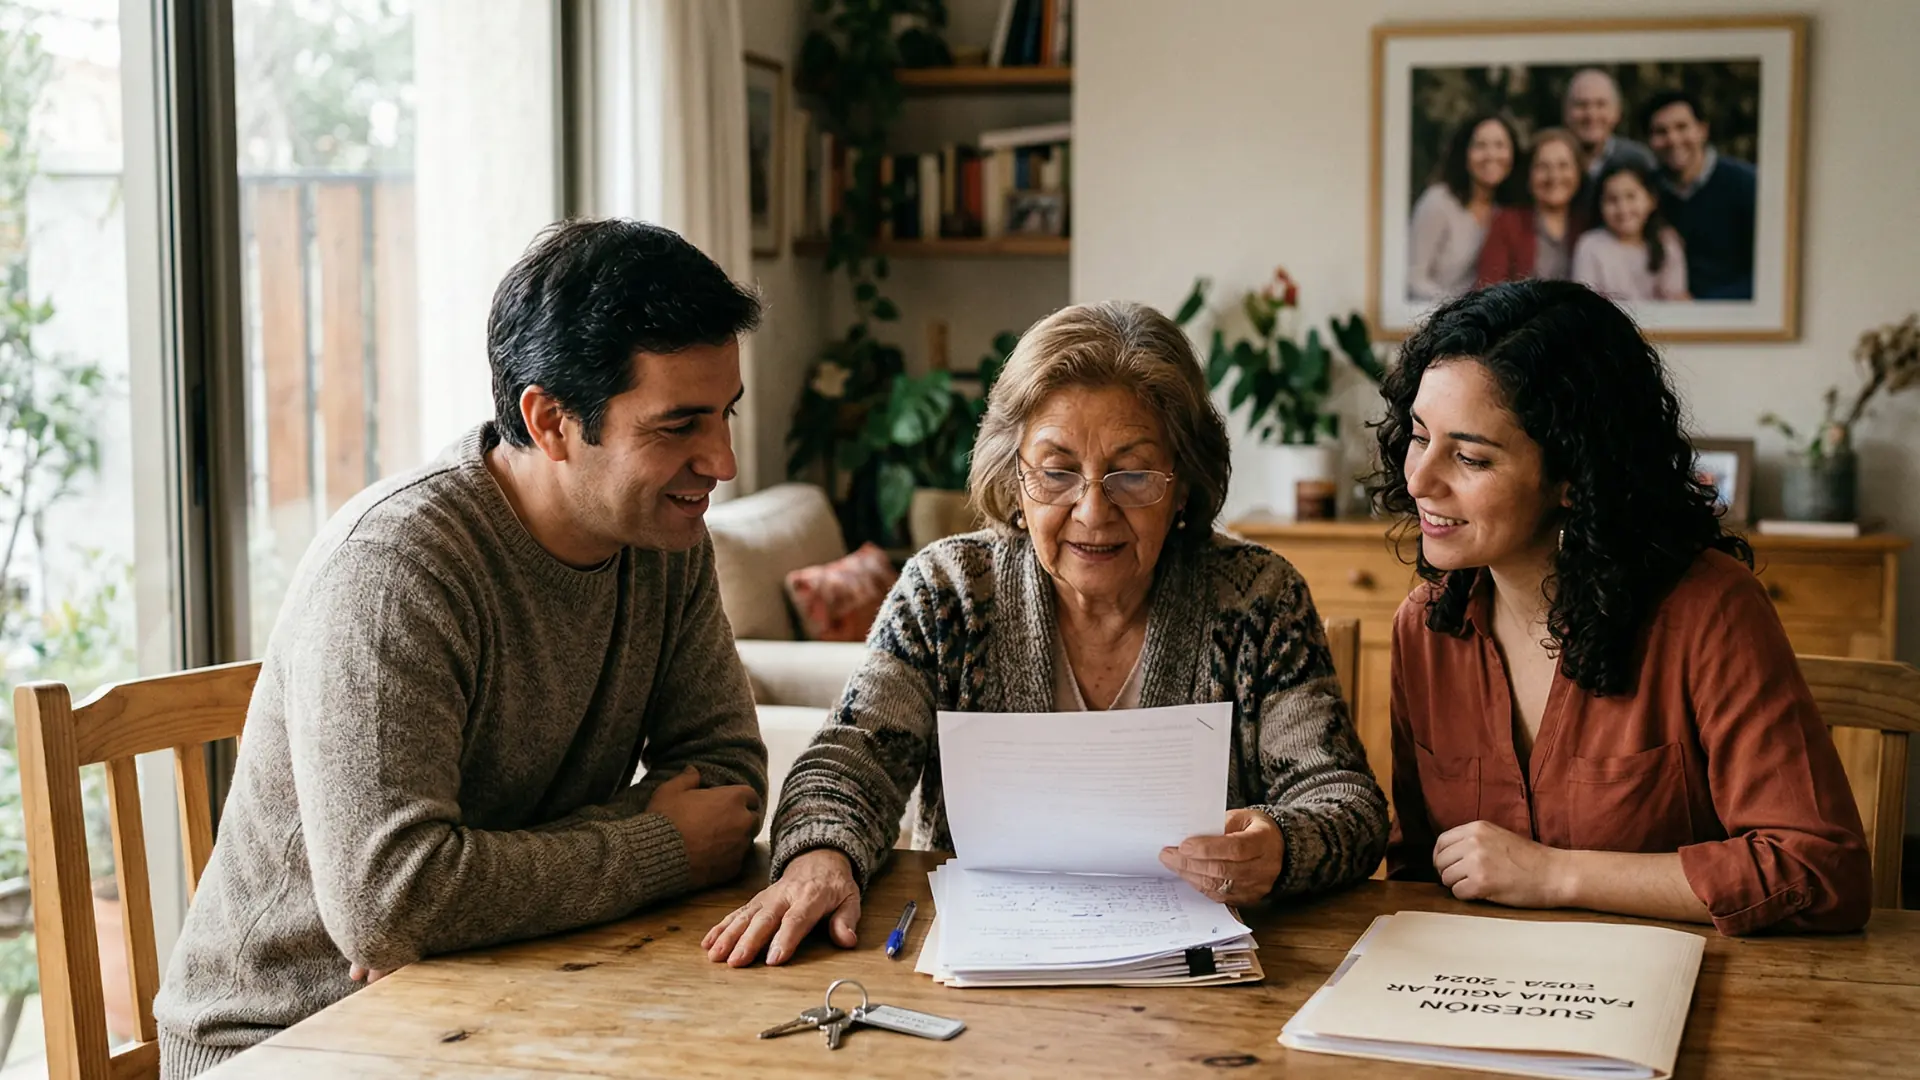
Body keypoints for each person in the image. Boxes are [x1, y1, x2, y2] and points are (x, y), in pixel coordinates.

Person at [155, 219, 771, 1076]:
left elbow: (728, 780)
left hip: (501, 992)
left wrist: (469, 898)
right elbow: (391, 906)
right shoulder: (397, 568)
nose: (723, 461)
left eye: (726, 414)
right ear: (550, 420)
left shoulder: (667, 541)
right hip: (291, 1035)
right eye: (678, 427)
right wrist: (655, 841)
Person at [703, 301, 1389, 968]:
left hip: (1200, 989)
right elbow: (849, 760)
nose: (1093, 510)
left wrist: (1281, 845)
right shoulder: (946, 592)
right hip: (981, 976)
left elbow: (1348, 806)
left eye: (1132, 473)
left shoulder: (1258, 599)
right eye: (1057, 471)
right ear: (1014, 476)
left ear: (1183, 484)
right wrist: (821, 857)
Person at [1371, 280, 1871, 936]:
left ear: (1574, 475)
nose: (1419, 479)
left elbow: (1818, 869)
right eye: (1418, 436)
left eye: (1469, 456)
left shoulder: (1708, 612)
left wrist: (1556, 874)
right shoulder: (1424, 627)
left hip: (1694, 998)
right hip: (1476, 995)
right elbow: (1418, 872)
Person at [1643, 89, 1757, 300]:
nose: (1673, 139)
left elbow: (1768, 272)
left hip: (1733, 317)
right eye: (1661, 131)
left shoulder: (1746, 183)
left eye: (1682, 127)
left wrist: (1702, 306)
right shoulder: (1646, 192)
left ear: (1702, 130)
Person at [1408, 113, 1522, 301]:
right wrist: (1459, 308)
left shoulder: (1507, 210)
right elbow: (1414, 280)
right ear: (1464, 153)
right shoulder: (1438, 202)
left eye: (1500, 145)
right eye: (1480, 146)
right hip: (1435, 318)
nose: (1491, 155)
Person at [1475, 128, 1585, 287]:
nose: (1554, 176)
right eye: (1543, 166)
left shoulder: (1587, 225)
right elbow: (1487, 287)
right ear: (1529, 174)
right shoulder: (1508, 223)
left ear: (1578, 173)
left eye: (1563, 166)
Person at [1571, 161, 1690, 302]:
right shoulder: (1590, 245)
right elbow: (1583, 302)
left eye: (1631, 196)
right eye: (1612, 200)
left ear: (1651, 200)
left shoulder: (1667, 242)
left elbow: (1676, 299)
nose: (1623, 208)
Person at [1561, 68, 1657, 222]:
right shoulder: (1554, 161)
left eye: (1601, 105)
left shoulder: (1639, 159)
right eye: (1581, 105)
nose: (1591, 115)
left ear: (1616, 112)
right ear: (1566, 112)